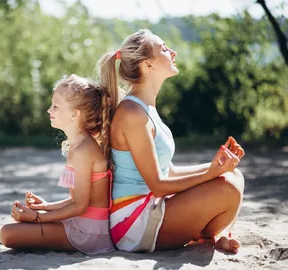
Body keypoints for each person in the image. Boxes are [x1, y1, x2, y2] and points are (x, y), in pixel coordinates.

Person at [96, 29, 245, 254]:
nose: (173, 52)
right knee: (228, 188)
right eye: (164, 49)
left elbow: (169, 172)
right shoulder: (132, 114)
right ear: (148, 65)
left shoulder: (145, 108)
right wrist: (210, 174)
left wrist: (219, 166)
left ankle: (214, 235)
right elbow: (158, 186)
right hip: (134, 224)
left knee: (234, 175)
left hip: (151, 207)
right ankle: (207, 235)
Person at [0, 74, 115, 255]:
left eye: (55, 106)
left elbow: (80, 206)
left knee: (7, 234)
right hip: (82, 224)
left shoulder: (83, 150)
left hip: (88, 233)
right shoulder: (80, 146)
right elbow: (80, 199)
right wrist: (45, 206)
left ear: (74, 114)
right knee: (17, 227)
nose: (48, 110)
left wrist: (37, 217)